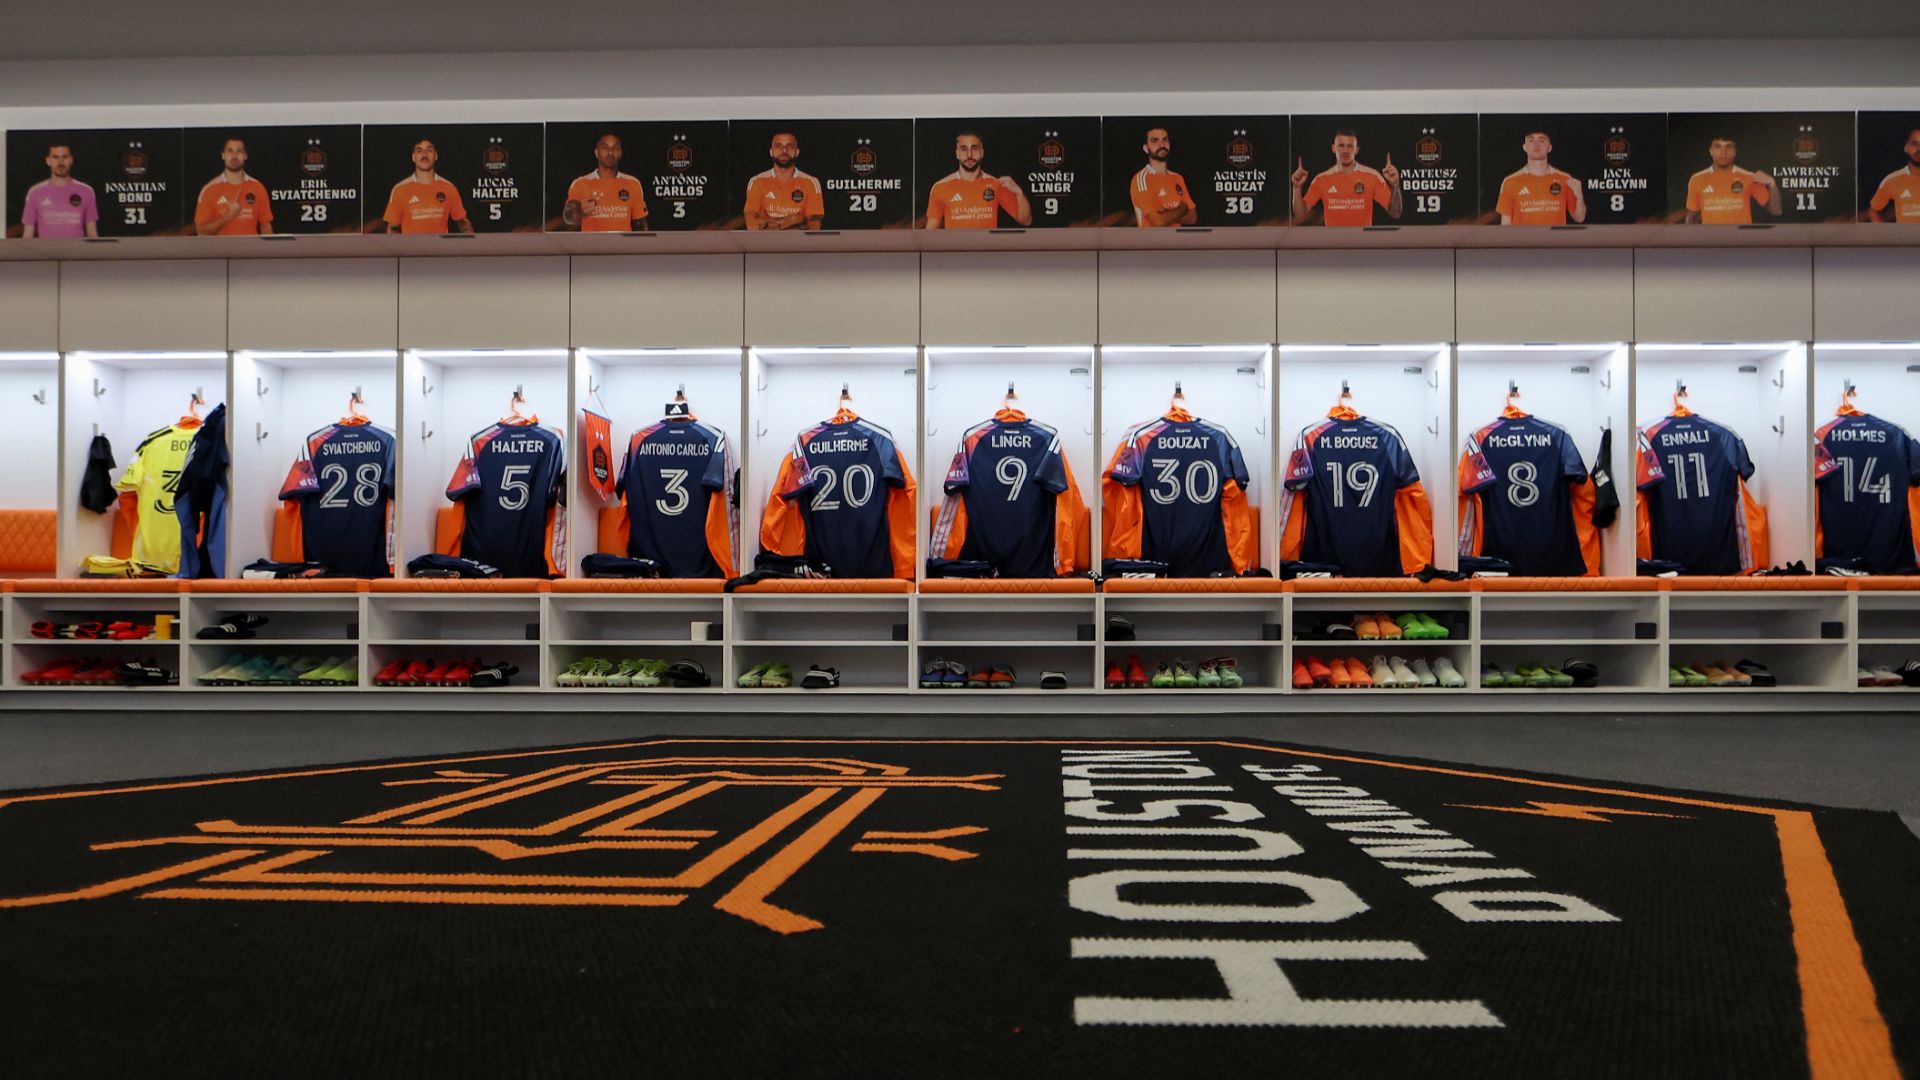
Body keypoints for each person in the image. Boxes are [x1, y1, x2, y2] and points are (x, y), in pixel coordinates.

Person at [1291, 130, 1402, 226]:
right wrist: (1296, 188)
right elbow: (1301, 214)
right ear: (1333, 148)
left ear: (1356, 149)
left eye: (1350, 146)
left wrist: (1395, 185)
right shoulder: (1321, 179)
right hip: (1333, 244)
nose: (1345, 150)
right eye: (1341, 145)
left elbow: (1395, 213)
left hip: (1362, 244)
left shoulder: (1373, 176)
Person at [924, 131, 1031, 228]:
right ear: (957, 153)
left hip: (986, 248)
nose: (969, 155)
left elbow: (1026, 221)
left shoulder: (996, 184)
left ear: (982, 152)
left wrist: (1019, 193)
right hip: (956, 249)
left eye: (974, 148)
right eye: (964, 149)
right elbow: (930, 233)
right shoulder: (940, 187)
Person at [375, 139, 471, 234]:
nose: (424, 155)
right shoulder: (399, 189)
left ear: (436, 156)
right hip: (411, 249)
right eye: (419, 151)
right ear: (413, 157)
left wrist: (471, 246)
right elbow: (392, 228)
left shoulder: (449, 188)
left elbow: (463, 223)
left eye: (429, 150)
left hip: (439, 249)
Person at [559, 133, 649, 232]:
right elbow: (568, 216)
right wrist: (578, 211)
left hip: (623, 246)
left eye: (615, 148)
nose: (610, 152)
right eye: (604, 148)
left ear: (620, 153)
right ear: (596, 152)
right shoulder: (581, 183)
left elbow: (640, 223)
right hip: (592, 246)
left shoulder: (633, 183)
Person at [1494, 130, 1586, 225]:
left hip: (1556, 240)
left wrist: (1579, 196)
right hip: (1523, 239)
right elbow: (1505, 225)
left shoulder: (1565, 179)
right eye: (1531, 140)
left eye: (1542, 140)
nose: (1536, 145)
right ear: (1524, 147)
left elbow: (1579, 218)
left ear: (1549, 147)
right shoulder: (1509, 182)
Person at [1683, 137, 1780, 224]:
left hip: (1741, 240)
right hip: (1711, 241)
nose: (1723, 152)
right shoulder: (1697, 179)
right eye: (1718, 147)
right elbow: (1691, 218)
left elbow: (1776, 210)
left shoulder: (1749, 177)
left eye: (1728, 147)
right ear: (1711, 151)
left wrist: (1772, 183)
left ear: (1734, 152)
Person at [743, 132, 824, 230]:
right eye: (778, 146)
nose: (784, 150)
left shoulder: (811, 183)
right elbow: (751, 225)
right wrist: (796, 220)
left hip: (799, 243)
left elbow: (815, 227)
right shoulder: (757, 181)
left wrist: (766, 221)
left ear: (797, 152)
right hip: (766, 243)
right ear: (771, 152)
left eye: (789, 146)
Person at [193, 138, 274, 236]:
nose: (234, 156)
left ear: (245, 156)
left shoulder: (258, 187)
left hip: (251, 250)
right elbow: (201, 231)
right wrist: (228, 216)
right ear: (223, 155)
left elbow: (266, 226)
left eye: (239, 151)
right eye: (230, 151)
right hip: (221, 250)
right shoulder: (209, 189)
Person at [19, 143, 99, 238]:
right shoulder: (35, 192)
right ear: (48, 161)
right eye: (55, 157)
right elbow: (27, 236)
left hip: (77, 252)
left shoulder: (86, 191)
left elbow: (92, 234)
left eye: (65, 157)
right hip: (45, 252)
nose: (60, 162)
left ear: (71, 160)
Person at [1128, 127, 1196, 227]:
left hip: (1177, 241)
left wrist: (1165, 213)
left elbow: (1192, 218)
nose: (1162, 145)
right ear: (1146, 148)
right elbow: (1158, 222)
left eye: (1165, 139)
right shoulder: (1141, 179)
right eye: (1155, 141)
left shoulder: (1177, 178)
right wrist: (1183, 207)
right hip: (1152, 242)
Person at [1867, 127, 1920, 223]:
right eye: (1914, 143)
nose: (1919, 149)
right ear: (1906, 148)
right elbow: (1873, 210)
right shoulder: (1892, 180)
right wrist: (1883, 234)